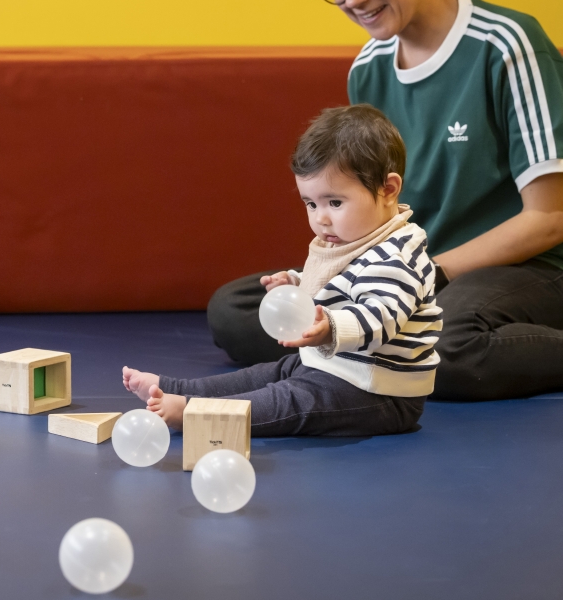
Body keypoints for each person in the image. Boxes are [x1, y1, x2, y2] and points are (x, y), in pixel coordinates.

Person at [207, 0, 563, 401]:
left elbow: (549, 219)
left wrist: (422, 276)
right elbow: (374, 212)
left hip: (524, 271)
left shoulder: (507, 44)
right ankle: (371, 343)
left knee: (449, 341)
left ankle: (379, 344)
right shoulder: (368, 67)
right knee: (236, 310)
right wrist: (325, 283)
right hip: (411, 271)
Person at [123, 105, 440, 435]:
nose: (321, 218)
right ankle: (177, 388)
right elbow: (340, 283)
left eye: (335, 202)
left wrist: (330, 327)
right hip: (335, 367)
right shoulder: (350, 236)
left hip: (379, 391)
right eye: (310, 204)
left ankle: (195, 413)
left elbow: (381, 316)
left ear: (388, 189)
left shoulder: (396, 255)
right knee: (265, 374)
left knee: (289, 399)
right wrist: (295, 283)